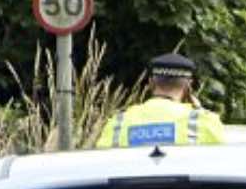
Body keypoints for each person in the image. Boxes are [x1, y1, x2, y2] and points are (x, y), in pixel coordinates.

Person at [91, 52, 228, 148]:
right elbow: (220, 166)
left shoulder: (118, 122)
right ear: (188, 85)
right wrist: (200, 111)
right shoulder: (204, 121)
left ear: (150, 83)